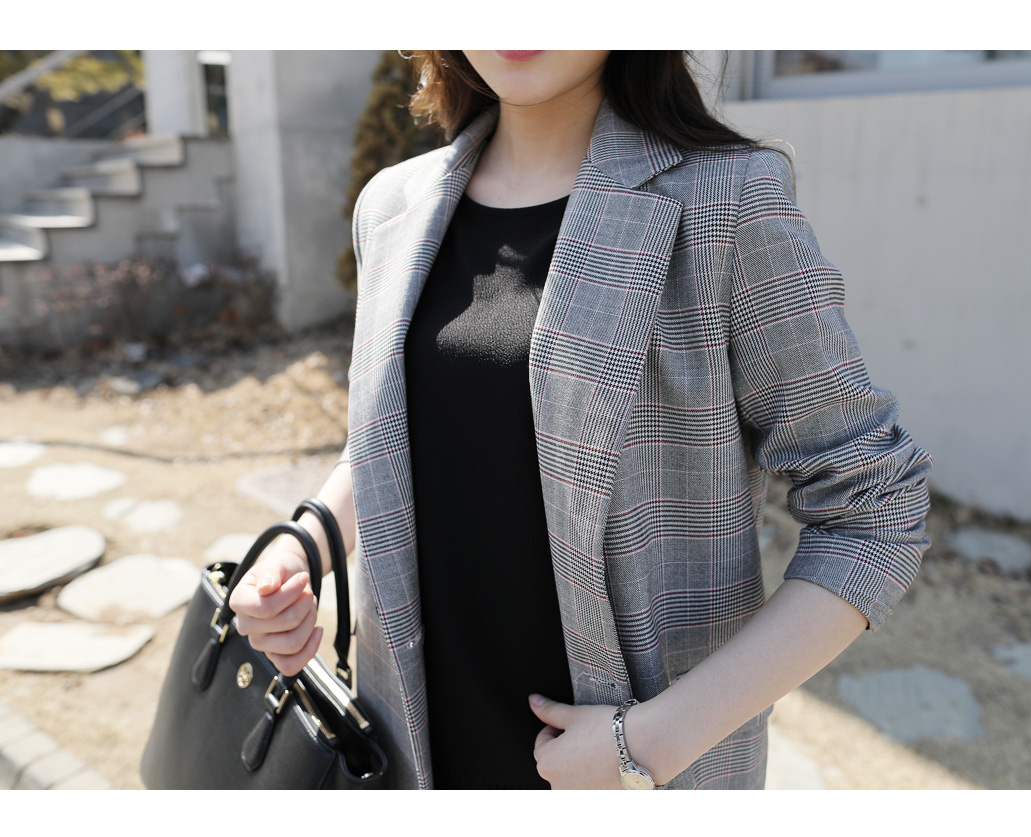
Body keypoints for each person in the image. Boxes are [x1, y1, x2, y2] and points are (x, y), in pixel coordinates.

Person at [228, 50, 933, 790]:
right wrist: (304, 545)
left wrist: (650, 742)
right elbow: (398, 438)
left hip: (625, 777)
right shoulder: (392, 206)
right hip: (412, 755)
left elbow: (875, 509)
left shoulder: (727, 200)